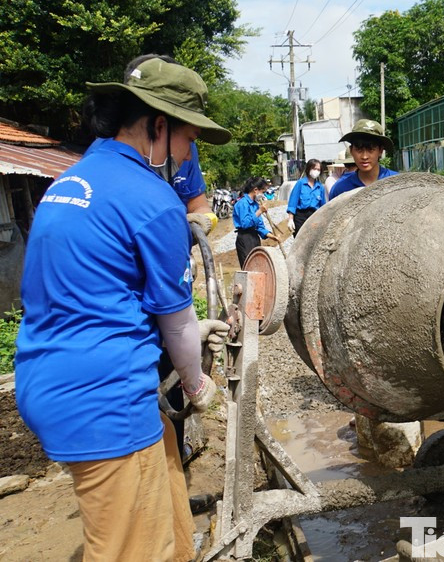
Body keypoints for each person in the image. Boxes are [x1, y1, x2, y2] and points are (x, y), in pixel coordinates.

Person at [15, 58, 231, 562]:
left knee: (168, 498)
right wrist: (199, 386)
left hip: (51, 379)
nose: (188, 152)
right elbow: (174, 320)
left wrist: (189, 329)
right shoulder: (153, 200)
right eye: (188, 138)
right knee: (128, 549)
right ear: (159, 126)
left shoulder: (70, 183)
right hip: (104, 399)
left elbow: (92, 294)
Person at [82, 54, 218, 235]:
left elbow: (199, 204)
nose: (187, 156)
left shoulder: (182, 147)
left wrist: (204, 220)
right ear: (159, 126)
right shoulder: (104, 156)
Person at [328, 119, 398, 200]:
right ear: (351, 151)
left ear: (380, 151)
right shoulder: (340, 189)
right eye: (359, 149)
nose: (364, 156)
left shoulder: (397, 182)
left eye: (371, 149)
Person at [233, 176, 279, 268]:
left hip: (255, 238)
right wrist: (259, 212)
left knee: (257, 265)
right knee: (249, 267)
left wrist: (272, 236)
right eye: (263, 192)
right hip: (245, 238)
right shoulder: (243, 204)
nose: (264, 195)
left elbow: (259, 226)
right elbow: (245, 223)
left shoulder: (255, 204)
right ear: (255, 190)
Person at [285, 158, 325, 236]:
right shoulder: (301, 183)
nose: (316, 171)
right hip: (300, 216)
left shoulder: (320, 187)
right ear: (309, 168)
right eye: (314, 169)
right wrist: (290, 219)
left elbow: (323, 206)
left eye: (318, 170)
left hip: (314, 216)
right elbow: (293, 202)